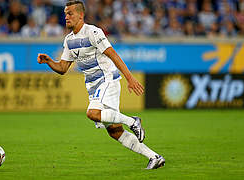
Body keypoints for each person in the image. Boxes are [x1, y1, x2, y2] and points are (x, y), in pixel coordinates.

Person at [37, 0, 165, 169]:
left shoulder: (93, 32)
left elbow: (113, 54)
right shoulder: (68, 40)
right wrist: (49, 62)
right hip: (93, 87)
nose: (66, 17)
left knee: (92, 113)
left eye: (70, 13)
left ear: (81, 15)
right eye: (65, 14)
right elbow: (62, 68)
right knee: (114, 132)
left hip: (107, 79)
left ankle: (133, 121)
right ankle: (154, 157)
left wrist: (130, 78)